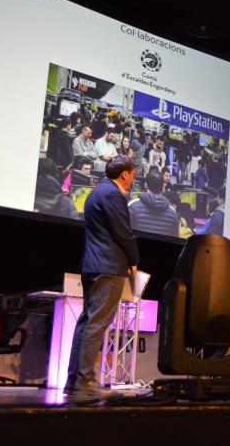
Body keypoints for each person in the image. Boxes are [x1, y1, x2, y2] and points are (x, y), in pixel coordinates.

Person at [64, 155, 140, 396]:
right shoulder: (112, 194)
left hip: (92, 265)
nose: (132, 182)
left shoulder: (97, 191)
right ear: (125, 174)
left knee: (87, 323)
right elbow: (123, 232)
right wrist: (134, 258)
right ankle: (85, 382)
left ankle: (74, 380)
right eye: (133, 176)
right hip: (108, 267)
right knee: (96, 324)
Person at [127, 170, 179, 238]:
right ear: (163, 188)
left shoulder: (132, 206)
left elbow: (125, 236)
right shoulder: (173, 213)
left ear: (145, 185)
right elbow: (175, 240)